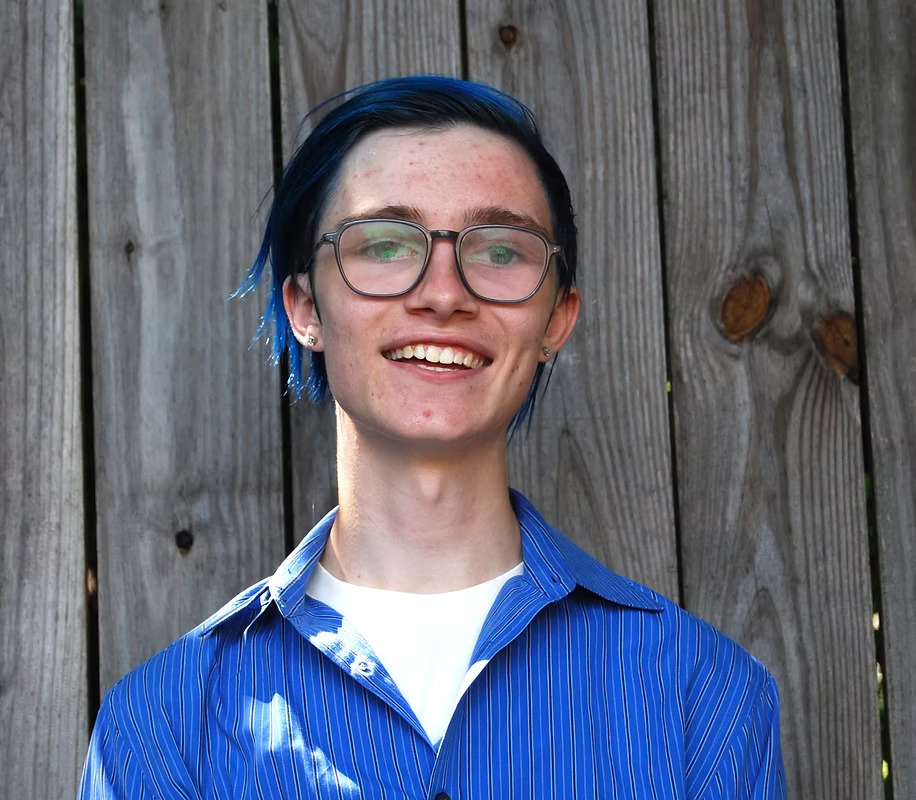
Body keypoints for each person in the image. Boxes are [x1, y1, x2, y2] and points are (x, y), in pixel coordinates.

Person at [79, 76, 787, 798]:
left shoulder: (708, 702)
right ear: (304, 308)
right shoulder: (163, 730)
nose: (444, 293)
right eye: (384, 244)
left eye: (501, 251)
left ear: (556, 319)